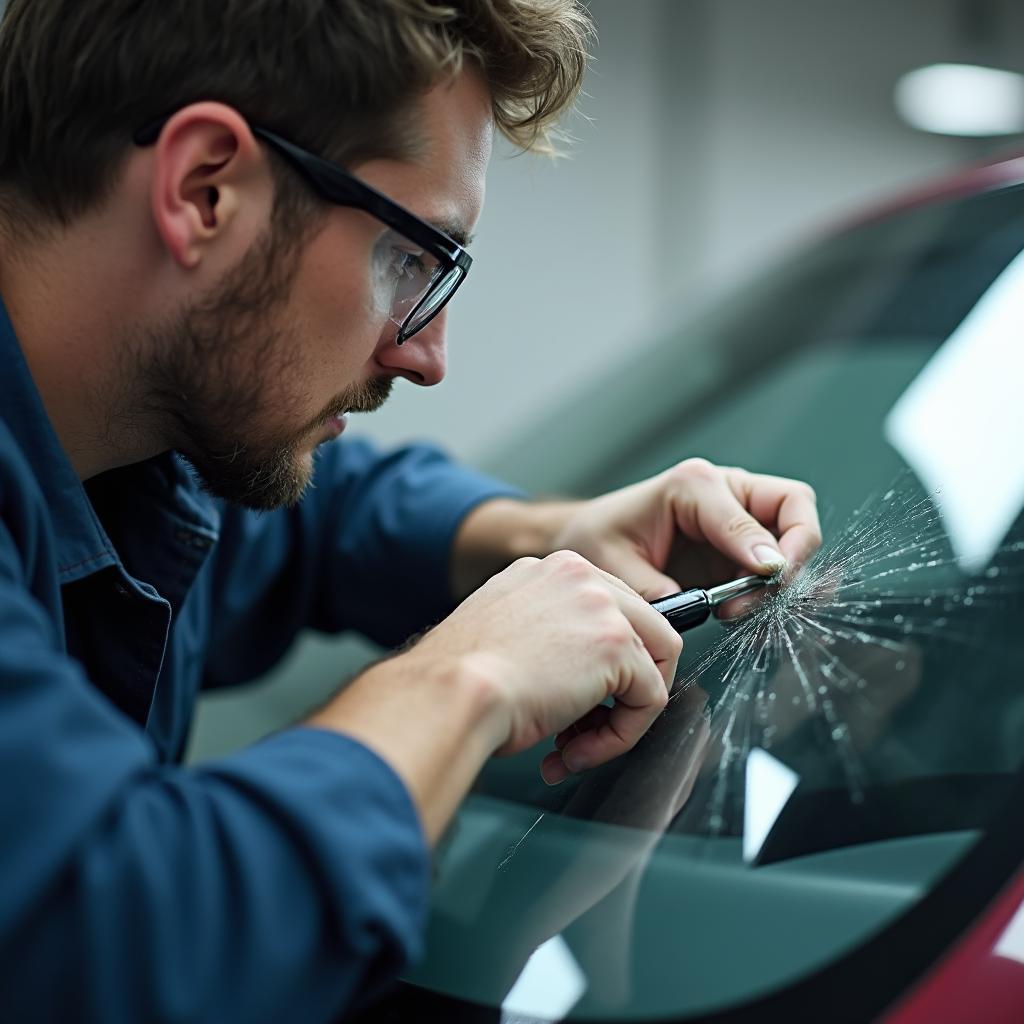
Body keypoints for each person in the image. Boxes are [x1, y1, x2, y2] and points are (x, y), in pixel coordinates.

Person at [0, 1, 821, 1020]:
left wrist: (550, 537)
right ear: (204, 187)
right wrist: (466, 677)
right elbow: (124, 946)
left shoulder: (134, 458)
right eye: (409, 260)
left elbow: (320, 517)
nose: (423, 356)